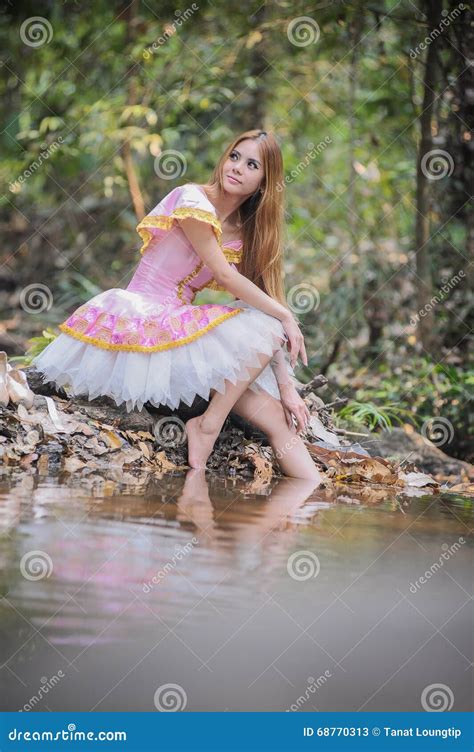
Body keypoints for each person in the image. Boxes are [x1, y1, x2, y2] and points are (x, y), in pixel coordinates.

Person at [33, 129, 322, 482]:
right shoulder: (191, 199)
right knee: (272, 322)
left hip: (177, 340)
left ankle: (305, 501)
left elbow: (262, 323)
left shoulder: (247, 234)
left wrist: (287, 387)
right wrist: (287, 314)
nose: (237, 168)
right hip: (141, 323)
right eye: (235, 156)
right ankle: (209, 426)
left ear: (264, 181)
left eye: (251, 165)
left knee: (277, 419)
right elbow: (227, 279)